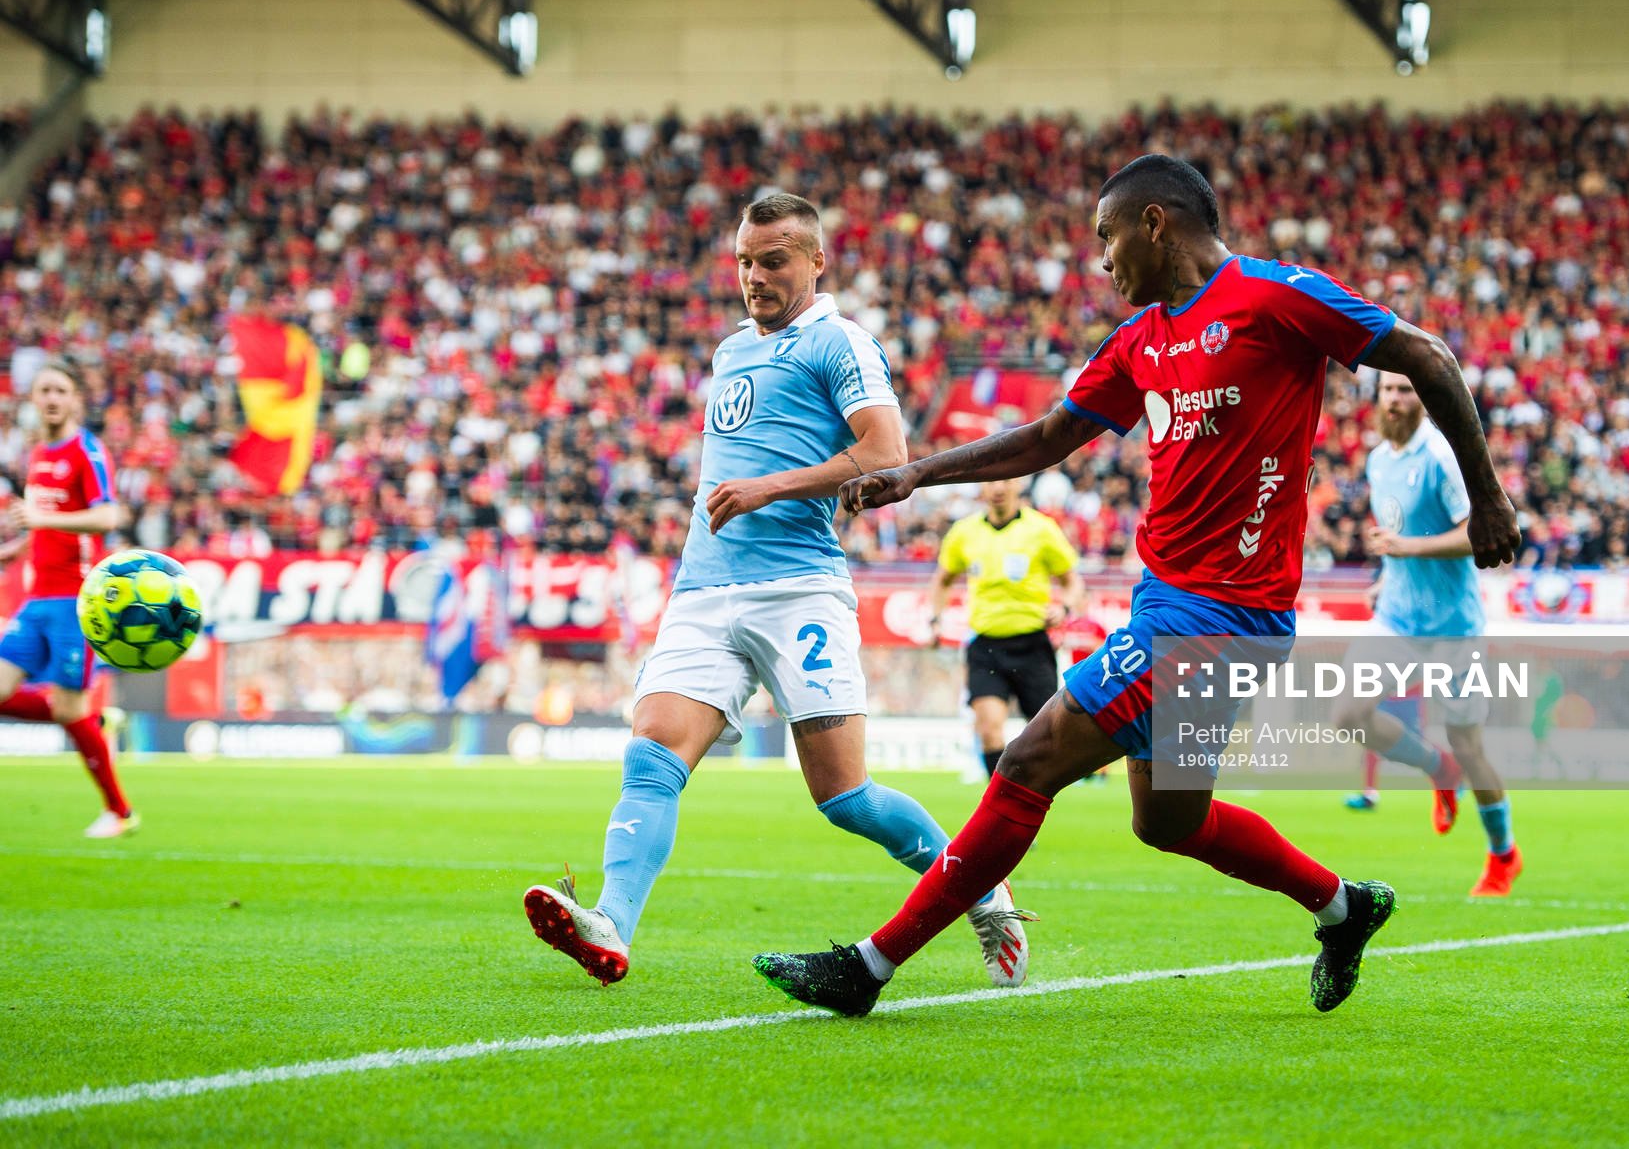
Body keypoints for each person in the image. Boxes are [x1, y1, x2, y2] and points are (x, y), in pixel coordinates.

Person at [750, 154, 1520, 1018]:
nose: (1103, 261)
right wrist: (915, 475)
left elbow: (1424, 352)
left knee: (1030, 758)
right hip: (1170, 600)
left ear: (1156, 223)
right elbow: (1047, 437)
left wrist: (1487, 496)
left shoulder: (1274, 297)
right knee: (1169, 822)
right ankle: (1346, 908)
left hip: (1225, 616)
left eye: (1108, 238)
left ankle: (870, 965)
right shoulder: (1140, 341)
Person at [522, 194, 1028, 987]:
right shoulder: (730, 352)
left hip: (797, 590)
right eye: (745, 262)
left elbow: (887, 450)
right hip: (704, 588)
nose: (754, 276)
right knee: (651, 753)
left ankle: (982, 889)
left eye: (774, 260)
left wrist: (771, 488)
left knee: (845, 798)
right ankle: (611, 924)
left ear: (817, 261)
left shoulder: (838, 341)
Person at [1342, 371, 1519, 896]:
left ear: (1423, 400)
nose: (1395, 400)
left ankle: (1503, 855)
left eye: (1406, 391)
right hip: (1396, 618)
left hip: (1453, 629)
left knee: (1470, 745)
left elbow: (1480, 532)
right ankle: (1435, 767)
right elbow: (1397, 537)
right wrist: (1386, 578)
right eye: (1388, 391)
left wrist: (1406, 551)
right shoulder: (1377, 460)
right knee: (1348, 713)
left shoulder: (1442, 458)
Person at [0, 360, 137, 838]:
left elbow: (108, 517)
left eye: (61, 389)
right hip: (37, 599)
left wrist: (40, 520)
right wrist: (16, 550)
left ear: (75, 398)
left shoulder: (87, 451)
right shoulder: (39, 452)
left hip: (76, 602)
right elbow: (47, 526)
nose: (52, 398)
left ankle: (120, 812)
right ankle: (96, 720)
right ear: (34, 399)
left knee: (65, 710)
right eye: (44, 390)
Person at [927, 478, 1085, 777]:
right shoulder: (964, 532)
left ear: (1017, 485)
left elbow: (1071, 579)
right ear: (982, 489)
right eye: (990, 482)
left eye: (1005, 481)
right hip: (985, 646)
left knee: (1047, 737)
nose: (998, 489)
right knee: (988, 729)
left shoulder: (1041, 529)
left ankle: (1035, 795)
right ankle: (997, 800)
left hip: (1032, 644)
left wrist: (1063, 606)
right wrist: (935, 619)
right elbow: (942, 580)